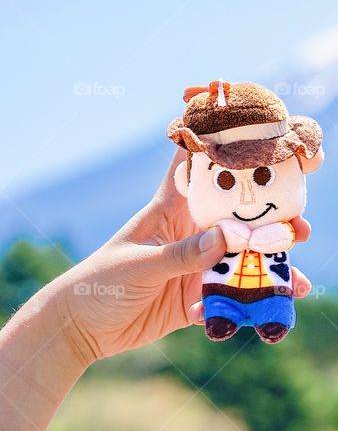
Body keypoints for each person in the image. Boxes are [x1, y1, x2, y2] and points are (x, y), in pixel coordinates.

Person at [0, 149, 314, 430]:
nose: (246, 197)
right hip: (220, 287)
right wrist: (72, 332)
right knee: (224, 303)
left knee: (269, 303)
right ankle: (227, 314)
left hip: (255, 282)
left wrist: (72, 329)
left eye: (262, 176)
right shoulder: (219, 232)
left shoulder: (267, 230)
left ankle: (263, 315)